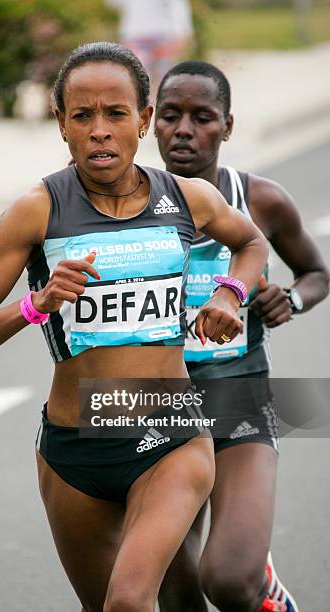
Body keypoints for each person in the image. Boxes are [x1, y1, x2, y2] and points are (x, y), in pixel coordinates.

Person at [0, 44, 268, 612]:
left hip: (171, 434)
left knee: (129, 601)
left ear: (143, 120)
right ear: (61, 125)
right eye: (82, 116)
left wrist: (230, 291)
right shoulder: (36, 212)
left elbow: (251, 242)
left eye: (116, 114)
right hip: (74, 451)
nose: (100, 131)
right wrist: (34, 305)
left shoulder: (189, 199)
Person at [154, 60, 330, 612]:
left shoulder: (262, 200)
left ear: (227, 126)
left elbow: (317, 273)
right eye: (169, 115)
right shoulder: (122, 206)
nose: (184, 130)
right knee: (173, 590)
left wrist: (291, 298)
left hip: (239, 393)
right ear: (149, 123)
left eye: (202, 117)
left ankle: (264, 587)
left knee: (229, 580)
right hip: (150, 402)